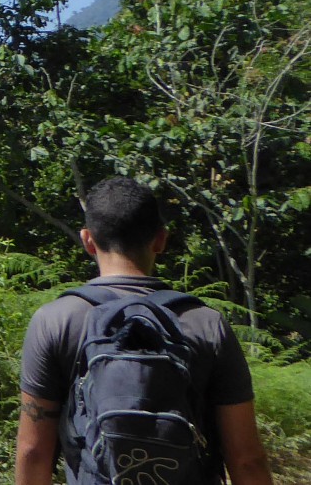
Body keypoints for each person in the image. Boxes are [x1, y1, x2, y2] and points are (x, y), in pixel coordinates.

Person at [16, 177, 271, 484]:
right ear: (161, 240)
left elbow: (33, 452)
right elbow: (247, 460)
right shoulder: (206, 323)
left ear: (87, 240)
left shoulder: (55, 321)